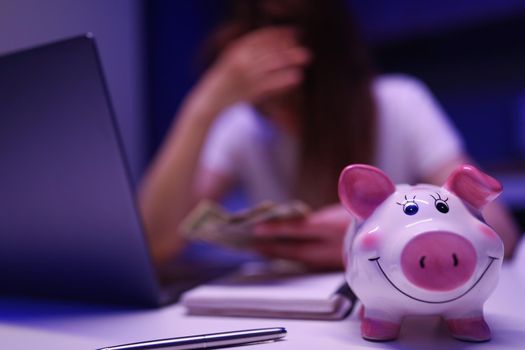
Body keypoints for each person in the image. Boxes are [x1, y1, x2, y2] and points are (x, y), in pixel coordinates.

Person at [139, 0, 519, 270]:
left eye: (297, 98)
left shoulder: (399, 102)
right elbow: (155, 244)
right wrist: (201, 107)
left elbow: (501, 232)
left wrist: (380, 233)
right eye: (269, 101)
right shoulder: (244, 127)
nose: (284, 116)